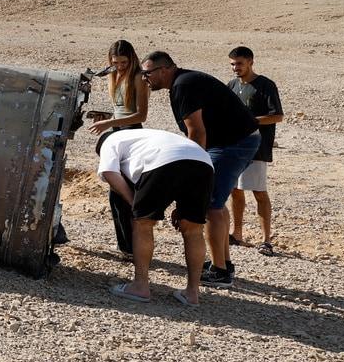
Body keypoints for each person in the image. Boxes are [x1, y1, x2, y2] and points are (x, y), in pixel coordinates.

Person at [140, 51, 260, 288]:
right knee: (216, 202)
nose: (145, 79)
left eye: (147, 73)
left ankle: (220, 272)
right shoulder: (183, 82)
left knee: (210, 205)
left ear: (164, 70)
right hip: (236, 141)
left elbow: (196, 132)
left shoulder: (183, 85)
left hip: (234, 144)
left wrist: (194, 175)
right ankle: (222, 262)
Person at [97, 128, 213, 305]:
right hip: (203, 161)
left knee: (142, 223)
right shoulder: (143, 137)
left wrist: (134, 204)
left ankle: (140, 286)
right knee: (193, 229)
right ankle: (192, 293)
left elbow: (109, 173)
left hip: (162, 160)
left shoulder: (109, 141)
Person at [88, 40, 151, 256]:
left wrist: (108, 123)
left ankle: (133, 247)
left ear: (131, 58)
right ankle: (126, 246)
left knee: (124, 192)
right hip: (118, 133)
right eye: (116, 62)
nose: (120, 65)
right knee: (115, 193)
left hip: (132, 134)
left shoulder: (138, 77)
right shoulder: (113, 75)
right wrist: (107, 118)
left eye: (124, 62)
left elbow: (141, 115)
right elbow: (120, 112)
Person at [227, 46, 284, 256]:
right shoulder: (232, 85)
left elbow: (277, 115)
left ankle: (266, 240)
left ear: (251, 62)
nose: (236, 68)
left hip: (257, 147)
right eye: (233, 64)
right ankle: (237, 233)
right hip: (234, 146)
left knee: (259, 192)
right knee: (235, 190)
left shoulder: (265, 85)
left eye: (239, 63)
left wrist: (249, 121)